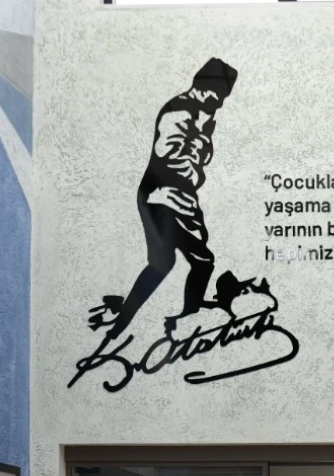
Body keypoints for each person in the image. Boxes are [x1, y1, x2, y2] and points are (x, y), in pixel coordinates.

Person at [95, 58, 239, 343]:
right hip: (166, 194)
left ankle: (121, 323)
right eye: (217, 96)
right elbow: (167, 155)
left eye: (223, 98)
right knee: (200, 261)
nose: (220, 104)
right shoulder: (180, 112)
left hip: (174, 195)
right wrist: (187, 177)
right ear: (202, 86)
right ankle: (188, 319)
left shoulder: (201, 114)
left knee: (164, 264)